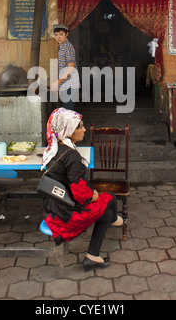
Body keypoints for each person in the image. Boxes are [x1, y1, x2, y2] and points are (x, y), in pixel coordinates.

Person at [41, 107, 123, 272]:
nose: (84, 130)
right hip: (65, 216)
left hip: (52, 208)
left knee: (105, 214)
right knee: (111, 197)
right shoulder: (72, 156)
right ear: (69, 130)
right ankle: (114, 220)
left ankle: (92, 257)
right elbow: (80, 193)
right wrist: (93, 196)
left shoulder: (53, 149)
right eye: (80, 127)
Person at [51, 24, 80, 110]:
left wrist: (58, 82)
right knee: (66, 111)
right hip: (64, 85)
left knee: (68, 112)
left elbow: (70, 68)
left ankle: (79, 123)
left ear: (66, 34)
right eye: (56, 35)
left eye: (61, 34)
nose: (58, 37)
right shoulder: (60, 46)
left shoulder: (67, 47)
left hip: (70, 85)